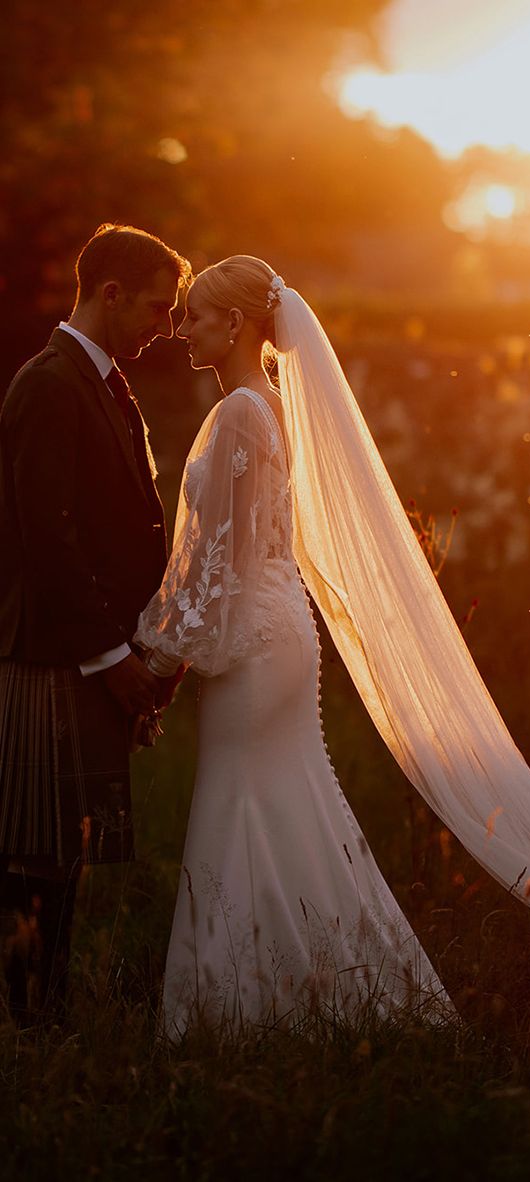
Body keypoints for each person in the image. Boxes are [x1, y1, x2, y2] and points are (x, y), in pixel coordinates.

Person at [135, 256, 461, 1036]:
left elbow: (218, 553)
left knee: (241, 795)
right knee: (283, 796)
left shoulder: (243, 413)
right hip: (277, 628)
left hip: (252, 637)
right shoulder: (269, 405)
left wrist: (157, 659)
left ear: (237, 325)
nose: (182, 331)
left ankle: (233, 1008)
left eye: (196, 318)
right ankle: (321, 983)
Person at [0, 222, 190, 1023]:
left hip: (87, 652)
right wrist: (114, 658)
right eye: (157, 306)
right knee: (35, 855)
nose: (165, 325)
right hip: (53, 657)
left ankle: (42, 1020)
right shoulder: (50, 383)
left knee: (63, 852)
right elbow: (49, 537)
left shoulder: (103, 378)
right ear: (109, 294)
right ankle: (32, 1030)